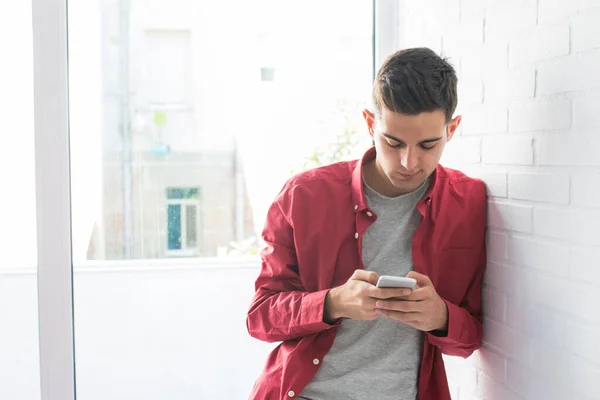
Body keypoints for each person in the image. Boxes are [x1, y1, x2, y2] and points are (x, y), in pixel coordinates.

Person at [245, 47, 487, 400]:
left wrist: (440, 315)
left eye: (428, 144)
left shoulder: (468, 203)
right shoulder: (302, 196)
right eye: (393, 142)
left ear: (452, 129)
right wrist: (333, 302)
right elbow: (261, 316)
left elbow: (470, 338)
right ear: (371, 124)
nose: (409, 161)